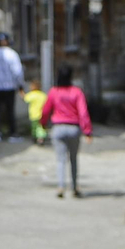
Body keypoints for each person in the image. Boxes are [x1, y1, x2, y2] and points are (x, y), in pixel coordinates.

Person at [40, 64, 91, 198]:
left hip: (58, 128)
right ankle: (74, 187)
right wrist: (87, 131)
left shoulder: (53, 92)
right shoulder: (76, 92)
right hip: (73, 128)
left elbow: (46, 110)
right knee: (73, 158)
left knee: (60, 159)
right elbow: (83, 112)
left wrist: (43, 124)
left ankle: (61, 186)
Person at [24, 78, 48, 145]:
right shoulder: (43, 95)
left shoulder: (32, 94)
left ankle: (34, 137)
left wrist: (21, 92)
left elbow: (25, 99)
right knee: (40, 128)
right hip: (42, 114)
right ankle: (40, 138)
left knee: (34, 127)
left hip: (33, 115)